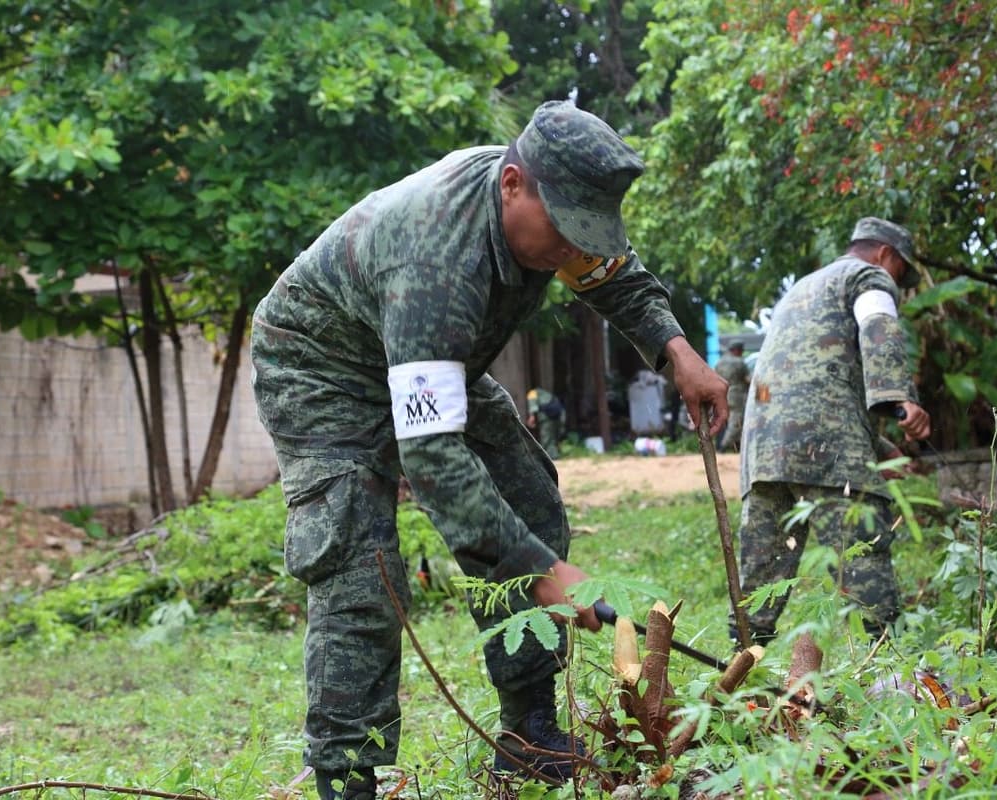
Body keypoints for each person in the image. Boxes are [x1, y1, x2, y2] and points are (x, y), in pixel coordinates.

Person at [249, 100, 729, 799]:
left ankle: (530, 733)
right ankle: (346, 775)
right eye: (565, 232)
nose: (573, 249)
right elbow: (434, 458)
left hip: (434, 363)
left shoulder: (549, 211)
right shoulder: (436, 258)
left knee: (525, 493)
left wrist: (675, 349)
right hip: (322, 369)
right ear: (512, 185)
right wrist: (541, 571)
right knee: (358, 557)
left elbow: (612, 272)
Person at [736, 217, 931, 643]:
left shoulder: (803, 289)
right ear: (885, 254)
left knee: (760, 581)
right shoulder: (868, 275)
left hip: (764, 451)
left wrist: (878, 452)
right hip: (826, 449)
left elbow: (811, 388)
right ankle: (888, 673)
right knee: (862, 564)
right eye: (901, 270)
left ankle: (738, 678)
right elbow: (878, 327)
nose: (898, 281)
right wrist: (901, 397)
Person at [714, 341, 751, 451]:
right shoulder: (739, 362)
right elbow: (748, 380)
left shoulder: (719, 362)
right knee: (736, 422)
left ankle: (727, 445)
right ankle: (723, 447)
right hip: (736, 396)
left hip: (721, 395)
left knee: (722, 421)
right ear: (737, 350)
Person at [525, 386, 564, 460]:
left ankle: (551, 457)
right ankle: (555, 454)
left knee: (546, 437)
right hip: (555, 416)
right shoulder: (545, 393)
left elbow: (533, 407)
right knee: (552, 437)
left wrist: (531, 419)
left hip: (546, 418)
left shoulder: (532, 393)